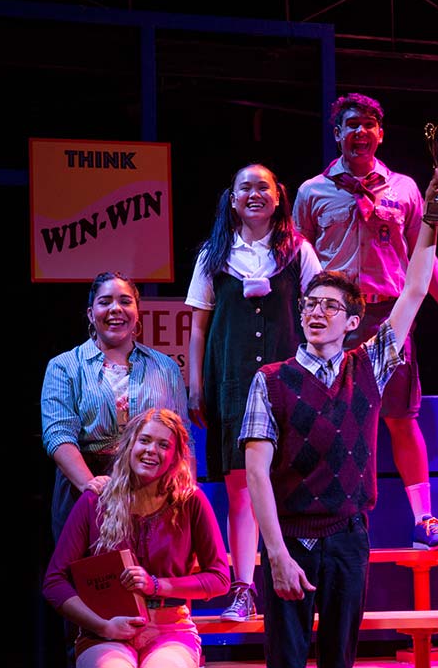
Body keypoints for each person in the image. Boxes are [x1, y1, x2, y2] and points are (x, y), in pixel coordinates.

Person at [241, 173, 438, 668]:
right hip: (292, 537)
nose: (316, 313)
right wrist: (277, 555)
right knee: (285, 661)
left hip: (350, 534)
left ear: (353, 322)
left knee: (340, 660)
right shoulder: (270, 380)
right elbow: (255, 474)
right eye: (311, 304)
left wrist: (433, 217)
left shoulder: (367, 366)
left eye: (330, 306)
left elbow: (414, 289)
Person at [294, 92, 438, 549]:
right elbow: (295, 260)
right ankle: (329, 518)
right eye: (351, 124)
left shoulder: (405, 189)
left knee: (400, 417)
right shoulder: (312, 191)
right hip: (331, 322)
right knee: (331, 419)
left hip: (390, 316)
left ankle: (425, 519)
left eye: (369, 124)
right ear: (337, 134)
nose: (360, 132)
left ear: (380, 134)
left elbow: (421, 254)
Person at [186, 162, 321, 621]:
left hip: (288, 385)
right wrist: (194, 384)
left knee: (291, 484)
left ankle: (298, 583)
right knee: (240, 488)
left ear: (279, 196)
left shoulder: (297, 252)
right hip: (234, 384)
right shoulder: (213, 254)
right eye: (245, 187)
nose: (254, 194)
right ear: (232, 197)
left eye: (263, 186)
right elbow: (199, 326)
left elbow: (320, 310)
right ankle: (244, 588)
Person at [43, 408, 231, 668]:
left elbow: (219, 578)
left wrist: (156, 585)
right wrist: (103, 627)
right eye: (144, 440)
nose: (152, 450)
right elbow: (54, 582)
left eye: (163, 445)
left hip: (170, 630)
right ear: (129, 445)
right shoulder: (96, 500)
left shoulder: (190, 501)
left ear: (176, 456)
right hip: (104, 631)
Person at [42, 271, 189, 547]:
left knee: (147, 582)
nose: (115, 309)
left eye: (125, 301)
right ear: (90, 313)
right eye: (105, 302)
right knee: (88, 582)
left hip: (151, 491)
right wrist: (90, 484)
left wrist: (185, 498)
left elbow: (183, 436)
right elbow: (57, 435)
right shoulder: (64, 367)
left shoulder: (166, 368)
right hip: (85, 490)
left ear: (137, 312)